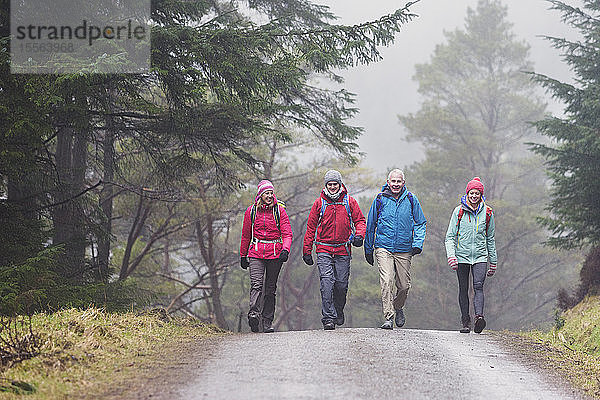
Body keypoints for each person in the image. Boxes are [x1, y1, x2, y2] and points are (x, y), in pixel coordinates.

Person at [303, 170, 366, 330]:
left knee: (341, 285)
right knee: (327, 283)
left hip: (343, 250)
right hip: (323, 249)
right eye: (329, 184)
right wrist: (307, 250)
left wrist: (359, 235)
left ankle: (338, 310)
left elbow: (360, 221)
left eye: (335, 184)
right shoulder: (319, 203)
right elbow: (311, 227)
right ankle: (328, 318)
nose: (332, 187)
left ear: (340, 184)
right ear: (326, 185)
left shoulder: (349, 202)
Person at [364, 169, 427, 330]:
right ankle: (388, 317)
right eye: (393, 181)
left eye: (399, 181)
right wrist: (368, 248)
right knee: (387, 281)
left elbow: (420, 222)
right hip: (383, 246)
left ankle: (398, 307)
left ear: (403, 183)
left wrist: (417, 244)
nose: (396, 184)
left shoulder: (411, 199)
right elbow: (371, 225)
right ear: (388, 181)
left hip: (404, 248)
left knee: (404, 286)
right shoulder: (380, 199)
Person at [444, 177, 497, 334]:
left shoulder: (487, 213)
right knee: (463, 288)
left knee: (478, 286)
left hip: (480, 256)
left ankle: (479, 318)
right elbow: (449, 237)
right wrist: (451, 256)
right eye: (471, 193)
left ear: (481, 195)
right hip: (461, 256)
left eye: (477, 193)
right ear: (467, 194)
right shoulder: (458, 211)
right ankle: (465, 321)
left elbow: (490, 238)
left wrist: (493, 262)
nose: (474, 196)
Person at [239, 180, 293, 333]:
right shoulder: (251, 212)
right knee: (256, 284)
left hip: (275, 254)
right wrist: (243, 255)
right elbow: (245, 235)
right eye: (266, 193)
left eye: (271, 193)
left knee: (270, 289)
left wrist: (285, 250)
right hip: (256, 253)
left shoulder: (279, 211)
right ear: (260, 195)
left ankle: (267, 322)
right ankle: (254, 315)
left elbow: (287, 234)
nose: (269, 196)